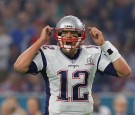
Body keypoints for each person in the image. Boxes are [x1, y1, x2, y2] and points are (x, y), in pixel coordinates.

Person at [14, 15, 131, 115]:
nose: (69, 37)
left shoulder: (92, 53)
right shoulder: (48, 53)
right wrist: (40, 41)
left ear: (82, 36)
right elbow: (19, 66)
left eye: (73, 34)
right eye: (64, 33)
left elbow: (124, 71)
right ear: (57, 35)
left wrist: (104, 45)